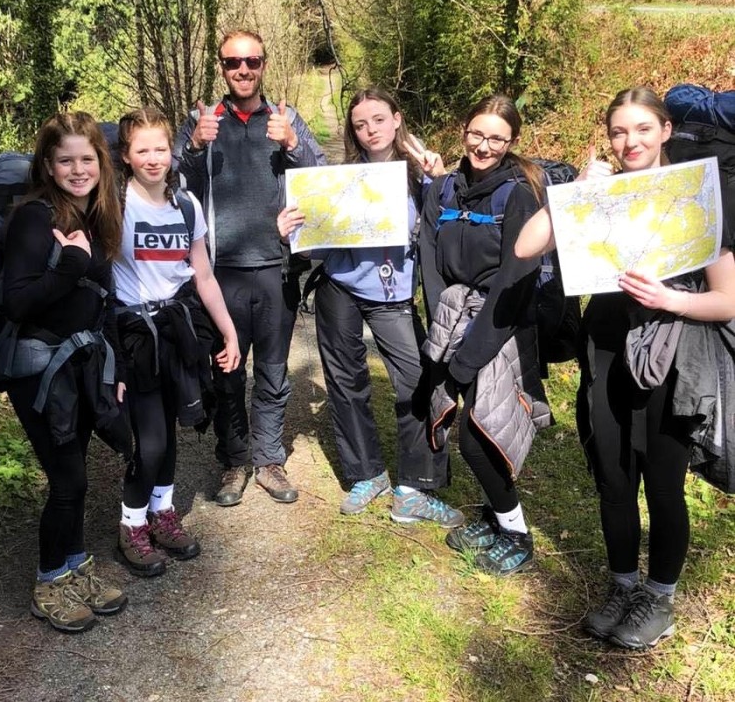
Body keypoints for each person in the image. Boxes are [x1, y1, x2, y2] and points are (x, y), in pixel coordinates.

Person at [515, 86, 735, 649]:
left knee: (663, 486)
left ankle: (658, 599)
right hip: (606, 351)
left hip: (671, 357)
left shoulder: (697, 196)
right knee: (614, 481)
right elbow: (525, 247)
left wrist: (671, 299)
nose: (630, 141)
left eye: (642, 128)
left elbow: (727, 299)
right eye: (618, 131)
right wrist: (572, 195)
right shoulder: (601, 196)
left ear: (666, 131)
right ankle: (622, 587)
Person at [276, 87, 463, 527]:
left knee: (417, 383)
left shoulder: (422, 173)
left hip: (393, 295)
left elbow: (451, 227)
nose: (370, 130)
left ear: (397, 119)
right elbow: (316, 238)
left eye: (378, 120)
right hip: (339, 287)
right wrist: (289, 230)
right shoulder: (342, 177)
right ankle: (367, 474)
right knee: (346, 383)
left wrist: (440, 181)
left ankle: (414, 489)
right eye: (360, 124)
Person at [175, 29, 325, 506]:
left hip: (277, 269)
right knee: (228, 373)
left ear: (264, 64)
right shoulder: (201, 121)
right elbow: (172, 188)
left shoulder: (287, 119)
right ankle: (234, 460)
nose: (243, 69)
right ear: (221, 66)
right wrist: (195, 148)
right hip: (221, 274)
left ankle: (269, 460)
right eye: (232, 62)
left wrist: (294, 145)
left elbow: (323, 181)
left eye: (252, 61)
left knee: (274, 373)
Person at [3, 112, 128, 633]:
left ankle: (75, 568)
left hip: (81, 366)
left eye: (87, 158)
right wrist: (70, 266)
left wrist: (115, 366)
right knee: (67, 479)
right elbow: (17, 302)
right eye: (65, 160)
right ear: (48, 166)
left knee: (75, 475)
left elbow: (104, 300)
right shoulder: (34, 218)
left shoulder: (95, 215)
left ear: (101, 161)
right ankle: (49, 581)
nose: (78, 169)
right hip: (39, 371)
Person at [418, 94, 551, 577]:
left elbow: (516, 280)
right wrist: (444, 334)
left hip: (501, 325)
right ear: (464, 131)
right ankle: (495, 518)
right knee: (467, 429)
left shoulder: (518, 195)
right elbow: (431, 263)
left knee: (480, 437)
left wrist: (469, 356)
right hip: (454, 321)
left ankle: (517, 532)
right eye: (477, 133)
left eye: (497, 138)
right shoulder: (444, 190)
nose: (484, 146)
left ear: (511, 142)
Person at [112, 107, 240, 575]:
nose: (153, 158)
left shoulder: (186, 205)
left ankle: (162, 513)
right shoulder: (114, 206)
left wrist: (228, 331)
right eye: (142, 150)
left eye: (160, 149)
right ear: (125, 156)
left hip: (177, 330)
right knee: (150, 441)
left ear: (172, 150)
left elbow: (202, 275)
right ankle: (131, 525)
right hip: (134, 336)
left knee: (170, 433)